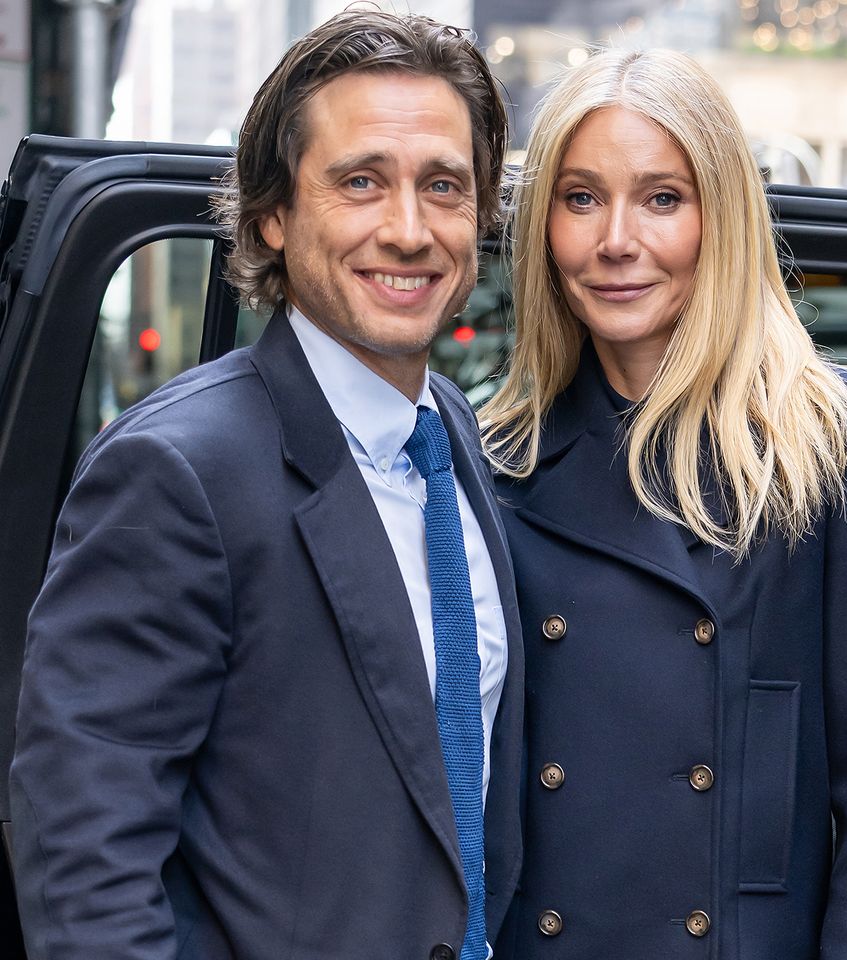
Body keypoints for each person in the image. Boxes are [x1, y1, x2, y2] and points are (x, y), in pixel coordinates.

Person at [10, 12, 522, 960]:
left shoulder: (448, 428)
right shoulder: (175, 471)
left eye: (443, 186)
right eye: (361, 181)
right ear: (272, 215)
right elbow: (84, 857)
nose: (408, 230)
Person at [482, 48, 847, 959]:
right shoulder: (497, 454)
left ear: (721, 219)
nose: (617, 239)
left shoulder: (846, 442)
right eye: (580, 198)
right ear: (543, 229)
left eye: (662, 198)